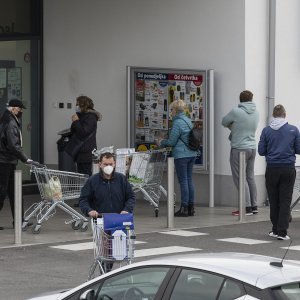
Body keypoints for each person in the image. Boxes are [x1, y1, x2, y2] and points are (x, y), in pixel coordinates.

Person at [79, 152, 135, 272]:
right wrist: (89, 211)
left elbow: (131, 197)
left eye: (110, 164)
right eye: (105, 164)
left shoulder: (121, 179)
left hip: (119, 221)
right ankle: (105, 273)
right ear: (100, 164)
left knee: (119, 252)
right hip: (101, 221)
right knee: (105, 253)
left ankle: (109, 273)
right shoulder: (93, 181)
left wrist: (126, 209)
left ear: (114, 164)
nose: (108, 166)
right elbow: (83, 200)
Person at [258, 104, 300, 241]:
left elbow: (261, 151)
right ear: (284, 114)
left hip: (272, 168)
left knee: (274, 199)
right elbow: (299, 149)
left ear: (273, 115)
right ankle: (282, 232)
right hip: (288, 168)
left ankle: (275, 229)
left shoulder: (266, 131)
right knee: (285, 200)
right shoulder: (293, 130)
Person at [222, 90, 259, 216]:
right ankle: (254, 206)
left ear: (240, 99)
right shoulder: (256, 112)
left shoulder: (236, 112)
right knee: (250, 177)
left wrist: (233, 127)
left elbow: (224, 122)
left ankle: (246, 207)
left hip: (239, 148)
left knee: (240, 178)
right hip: (252, 148)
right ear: (251, 99)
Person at [0, 99, 36, 230]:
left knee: (14, 192)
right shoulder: (10, 122)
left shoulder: (7, 119)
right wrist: (26, 159)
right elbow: (14, 146)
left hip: (8, 161)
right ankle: (19, 221)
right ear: (14, 108)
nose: (21, 112)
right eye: (20, 109)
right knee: (3, 192)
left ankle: (19, 220)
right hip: (4, 162)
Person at [159, 99, 198, 217]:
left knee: (183, 181)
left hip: (182, 155)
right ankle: (191, 208)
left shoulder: (177, 123)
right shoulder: (187, 120)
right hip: (192, 153)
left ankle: (184, 208)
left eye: (171, 109)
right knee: (189, 179)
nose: (170, 112)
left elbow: (172, 141)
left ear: (175, 110)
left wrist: (161, 142)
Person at [65, 95, 102, 176]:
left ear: (83, 105)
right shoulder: (82, 116)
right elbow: (74, 130)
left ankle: (87, 189)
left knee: (86, 176)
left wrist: (76, 121)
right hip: (81, 153)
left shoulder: (91, 117)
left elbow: (83, 132)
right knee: (82, 176)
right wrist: (76, 121)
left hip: (86, 153)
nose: (76, 106)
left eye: (77, 104)